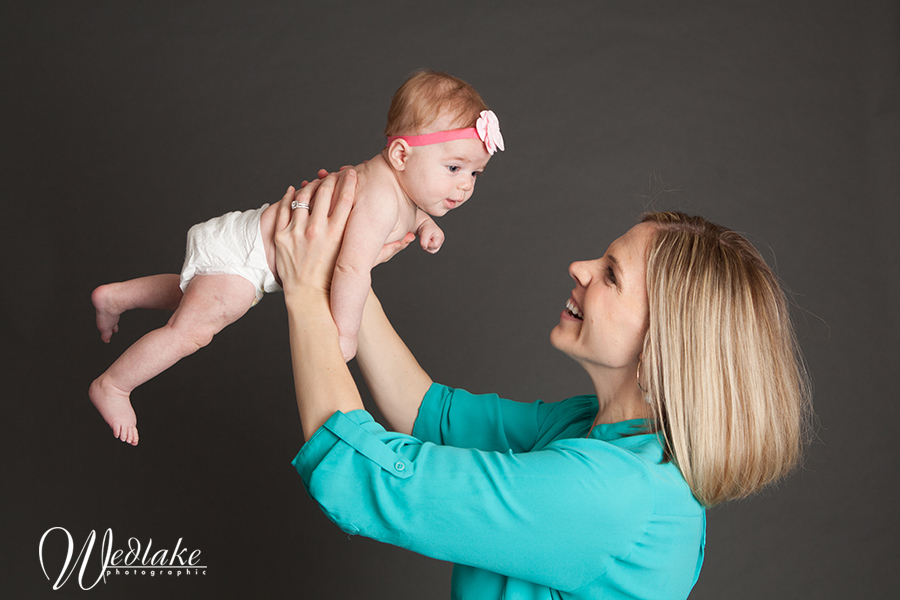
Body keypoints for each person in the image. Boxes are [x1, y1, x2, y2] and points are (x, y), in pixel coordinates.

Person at [274, 171, 811, 599]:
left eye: (611, 275)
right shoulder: (594, 431)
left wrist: (303, 289)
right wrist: (351, 265)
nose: (579, 268)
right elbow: (427, 412)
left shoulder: (609, 493)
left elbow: (361, 475)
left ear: (663, 344)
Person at [89, 69, 504, 445]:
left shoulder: (401, 190)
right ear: (400, 155)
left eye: (474, 174)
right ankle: (115, 385)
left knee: (194, 292)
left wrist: (427, 226)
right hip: (247, 256)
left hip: (247, 244)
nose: (465, 185)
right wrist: (344, 332)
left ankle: (117, 297)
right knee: (194, 330)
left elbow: (411, 212)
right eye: (454, 168)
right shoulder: (379, 198)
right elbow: (350, 267)